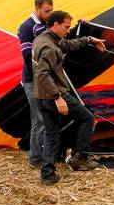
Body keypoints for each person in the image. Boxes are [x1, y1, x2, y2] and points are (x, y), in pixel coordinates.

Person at [33, 10, 106, 185]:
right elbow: (43, 74)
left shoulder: (45, 39)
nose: (68, 30)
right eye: (66, 27)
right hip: (53, 95)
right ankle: (80, 157)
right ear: (55, 24)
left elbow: (67, 45)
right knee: (88, 118)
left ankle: (47, 176)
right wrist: (58, 97)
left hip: (40, 96)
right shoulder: (49, 48)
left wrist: (88, 39)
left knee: (51, 135)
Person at [18, 0, 53, 167]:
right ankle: (35, 159)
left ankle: (46, 154)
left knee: (47, 119)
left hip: (45, 79)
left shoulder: (47, 24)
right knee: (38, 120)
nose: (49, 14)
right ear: (37, 8)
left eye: (51, 11)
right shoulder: (27, 27)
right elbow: (26, 57)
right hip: (33, 80)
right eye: (46, 11)